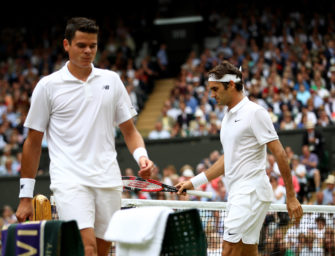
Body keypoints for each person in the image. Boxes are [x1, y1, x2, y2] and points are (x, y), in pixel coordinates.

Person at [15, 17, 154, 256]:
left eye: (93, 45)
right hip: (70, 181)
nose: (88, 51)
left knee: (100, 251)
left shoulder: (112, 80)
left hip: (108, 181)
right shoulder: (47, 86)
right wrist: (25, 196)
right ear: (66, 45)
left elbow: (129, 131)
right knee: (86, 248)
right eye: (81, 45)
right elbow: (33, 142)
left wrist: (142, 157)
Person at [176, 60, 302, 256]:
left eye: (215, 89)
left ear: (232, 85)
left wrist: (291, 196)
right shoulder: (227, 117)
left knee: (228, 250)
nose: (212, 95)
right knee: (247, 251)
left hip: (250, 192)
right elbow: (229, 159)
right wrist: (194, 182)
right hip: (238, 193)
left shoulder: (254, 113)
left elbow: (280, 153)